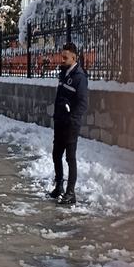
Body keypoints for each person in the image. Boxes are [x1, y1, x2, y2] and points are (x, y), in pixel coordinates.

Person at [51, 43, 88, 205]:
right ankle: (59, 185)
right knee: (56, 155)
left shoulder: (80, 77)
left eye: (65, 56)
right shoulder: (63, 73)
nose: (62, 58)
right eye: (62, 56)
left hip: (70, 125)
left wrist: (71, 120)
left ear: (74, 57)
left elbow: (82, 104)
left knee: (70, 158)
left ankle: (70, 193)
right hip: (59, 121)